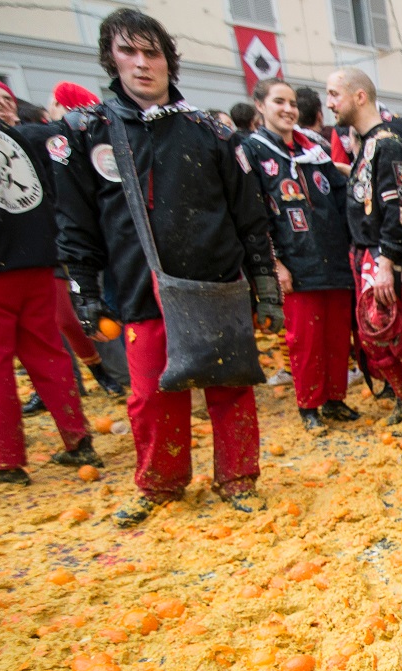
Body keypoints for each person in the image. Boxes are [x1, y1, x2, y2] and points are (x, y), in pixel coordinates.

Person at [54, 9, 281, 526]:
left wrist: (265, 287)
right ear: (110, 58)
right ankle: (161, 482)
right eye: (128, 51)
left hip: (216, 286)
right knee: (151, 396)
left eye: (151, 52)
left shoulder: (214, 136)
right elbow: (76, 225)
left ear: (168, 61)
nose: (141, 64)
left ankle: (238, 477)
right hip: (139, 289)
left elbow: (251, 218)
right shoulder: (86, 134)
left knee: (230, 389)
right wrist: (84, 291)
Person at [242, 78, 357, 435]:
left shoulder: (316, 151)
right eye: (279, 102)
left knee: (337, 337)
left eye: (292, 103)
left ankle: (335, 398)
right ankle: (310, 405)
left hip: (334, 259)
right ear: (260, 106)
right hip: (295, 262)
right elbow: (253, 214)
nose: (288, 109)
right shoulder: (252, 151)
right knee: (305, 341)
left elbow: (342, 199)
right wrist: (274, 263)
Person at [327, 67, 402, 434]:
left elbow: (397, 209)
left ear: (359, 96)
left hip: (386, 257)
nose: (329, 104)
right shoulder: (366, 143)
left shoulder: (387, 142)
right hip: (365, 255)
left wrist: (387, 260)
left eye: (334, 95)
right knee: (375, 334)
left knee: (401, 333)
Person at [0, 114, 103, 484]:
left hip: (1, 266)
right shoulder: (14, 137)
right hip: (38, 259)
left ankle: (6, 459)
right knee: (47, 353)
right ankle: (78, 440)